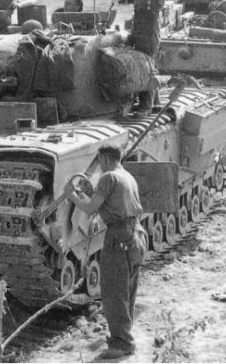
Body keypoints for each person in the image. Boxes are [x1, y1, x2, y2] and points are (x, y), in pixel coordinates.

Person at [63, 145, 147, 359]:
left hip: (118, 238)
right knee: (127, 290)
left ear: (104, 158)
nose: (99, 165)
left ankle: (122, 343)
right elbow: (109, 206)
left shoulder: (108, 177)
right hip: (136, 234)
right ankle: (125, 337)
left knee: (113, 292)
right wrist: (91, 193)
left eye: (99, 160)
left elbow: (90, 209)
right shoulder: (126, 176)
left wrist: (71, 195)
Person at [116, 0, 167, 111]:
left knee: (146, 67)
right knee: (143, 65)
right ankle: (155, 102)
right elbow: (126, 0)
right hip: (137, 30)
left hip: (149, 31)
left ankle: (146, 106)